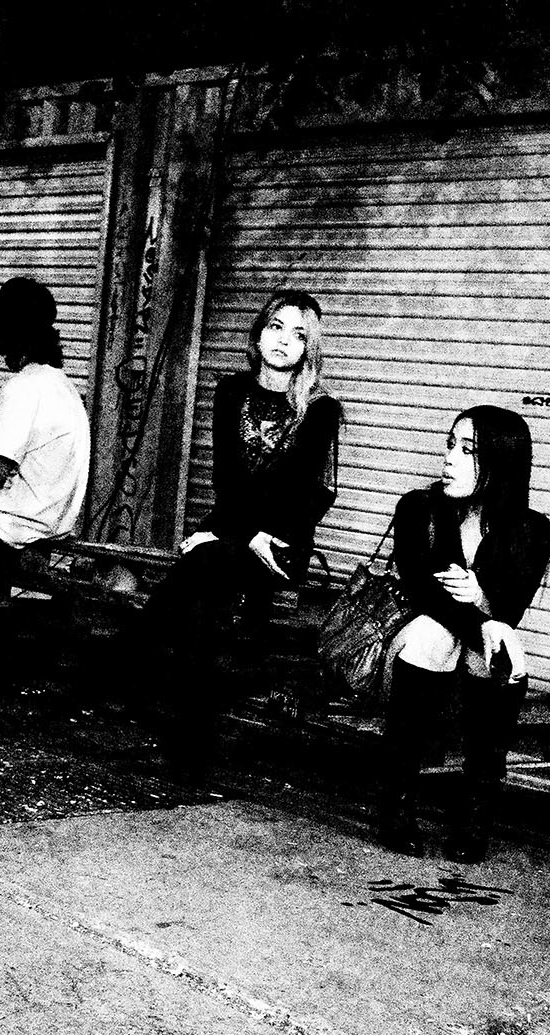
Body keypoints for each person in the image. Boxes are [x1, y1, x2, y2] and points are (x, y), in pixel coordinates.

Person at [136, 289, 342, 781]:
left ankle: (140, 672)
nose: (284, 341)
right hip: (235, 531)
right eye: (276, 327)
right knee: (202, 594)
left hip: (282, 542)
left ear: (309, 348)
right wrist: (233, 534)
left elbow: (307, 495)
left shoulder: (320, 409)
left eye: (299, 335)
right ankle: (192, 740)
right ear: (258, 334)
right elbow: (227, 479)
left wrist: (244, 536)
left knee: (198, 573)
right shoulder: (231, 392)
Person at [376, 405, 550, 864]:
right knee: (434, 633)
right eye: (450, 444)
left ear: (502, 461)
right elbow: (425, 593)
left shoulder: (531, 530)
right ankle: (396, 800)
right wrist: (484, 620)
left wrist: (482, 598)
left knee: (502, 655)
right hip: (413, 650)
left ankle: (476, 810)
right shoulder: (419, 508)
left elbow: (510, 611)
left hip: (471, 663)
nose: (450, 458)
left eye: (468, 450)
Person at [0, 276, 90, 604]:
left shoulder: (23, 387)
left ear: (12, 330)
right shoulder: (61, 383)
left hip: (26, 517)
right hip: (55, 515)